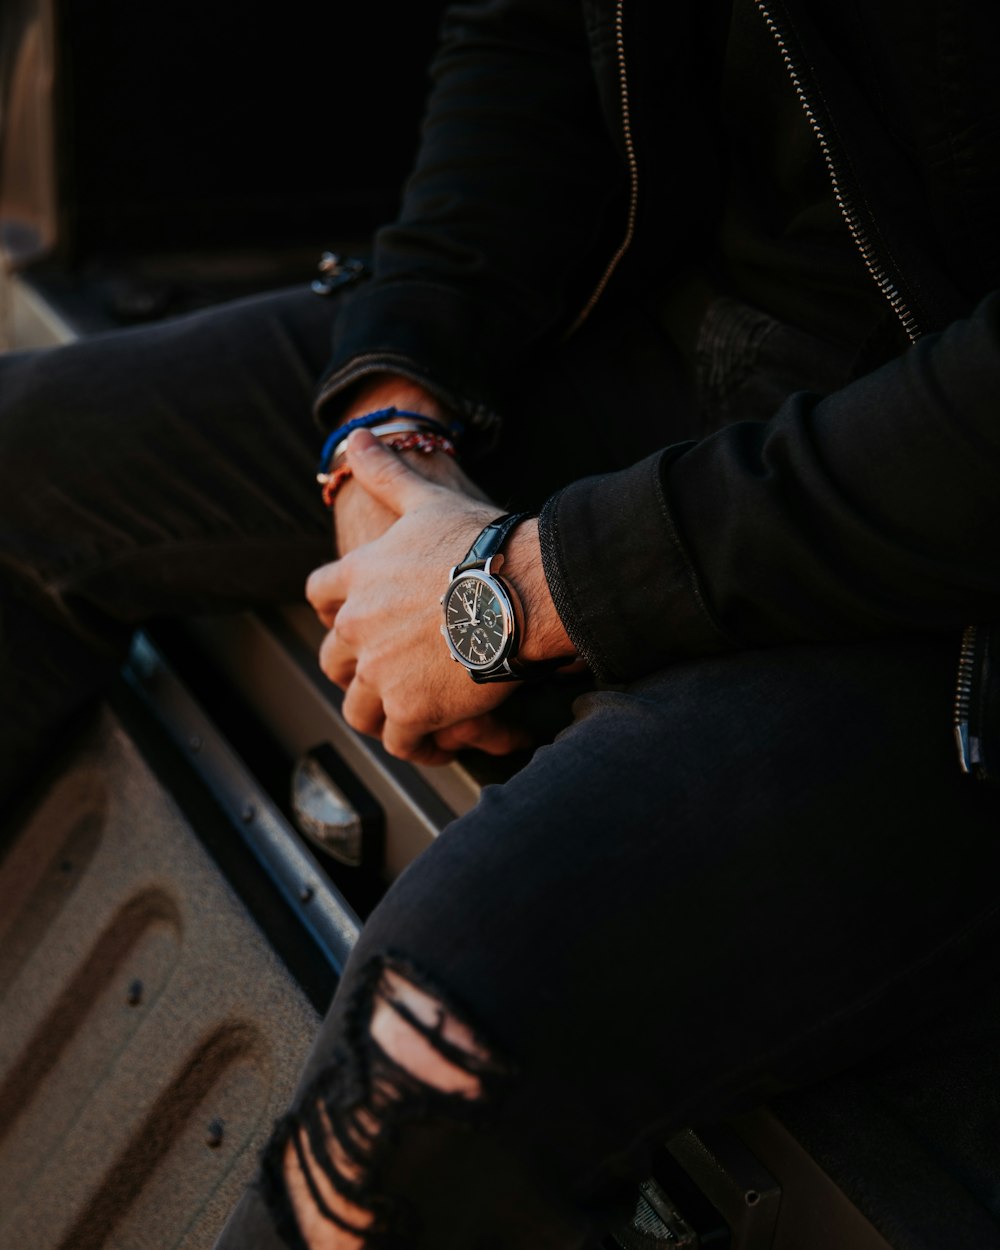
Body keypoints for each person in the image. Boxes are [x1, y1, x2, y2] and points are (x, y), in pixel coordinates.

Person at [3, 1, 1000, 1247]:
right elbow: (525, 36)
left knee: (436, 1037)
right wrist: (386, 430)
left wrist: (524, 590)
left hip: (956, 579)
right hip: (692, 347)